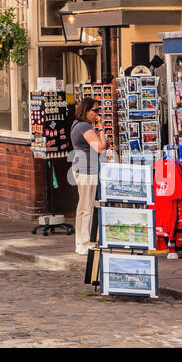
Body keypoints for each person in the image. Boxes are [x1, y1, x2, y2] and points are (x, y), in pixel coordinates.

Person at [71, 97, 107, 254]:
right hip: (86, 169)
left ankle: (80, 242)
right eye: (95, 110)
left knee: (82, 207)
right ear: (86, 111)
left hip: (81, 168)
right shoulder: (85, 126)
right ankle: (84, 244)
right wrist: (101, 129)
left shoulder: (77, 125)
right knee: (86, 208)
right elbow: (100, 147)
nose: (97, 114)